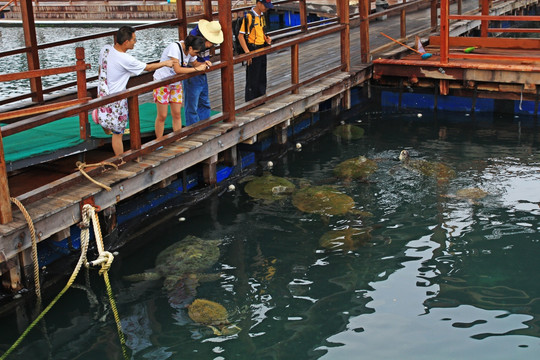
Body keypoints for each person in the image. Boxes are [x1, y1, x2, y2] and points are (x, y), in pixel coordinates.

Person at [96, 26, 175, 156]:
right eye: (134, 40)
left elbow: (100, 70)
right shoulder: (125, 59)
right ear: (126, 42)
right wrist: (165, 63)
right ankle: (120, 159)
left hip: (103, 93)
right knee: (117, 134)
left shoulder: (105, 49)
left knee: (108, 121)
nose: (135, 42)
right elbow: (148, 67)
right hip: (117, 98)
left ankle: (105, 122)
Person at [153, 35, 208, 139]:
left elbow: (195, 63)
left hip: (175, 82)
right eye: (196, 52)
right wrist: (197, 70)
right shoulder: (175, 48)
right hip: (162, 81)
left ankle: (177, 139)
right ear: (191, 48)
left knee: (177, 113)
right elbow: (177, 69)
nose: (197, 55)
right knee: (162, 115)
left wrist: (204, 64)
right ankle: (158, 141)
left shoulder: (190, 51)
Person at [185, 19, 224, 126]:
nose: (212, 45)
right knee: (192, 104)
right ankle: (193, 129)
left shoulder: (202, 40)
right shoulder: (194, 39)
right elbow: (190, 59)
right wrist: (200, 64)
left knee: (204, 100)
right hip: (193, 70)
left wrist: (205, 62)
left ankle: (205, 125)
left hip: (201, 69)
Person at [238, 0, 273, 102]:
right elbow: (241, 36)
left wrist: (267, 40)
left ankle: (261, 99)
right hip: (252, 49)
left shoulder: (262, 16)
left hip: (262, 47)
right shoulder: (249, 17)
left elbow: (261, 31)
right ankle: (250, 102)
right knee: (253, 77)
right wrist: (247, 53)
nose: (266, 8)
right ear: (258, 3)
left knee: (262, 75)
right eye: (265, 6)